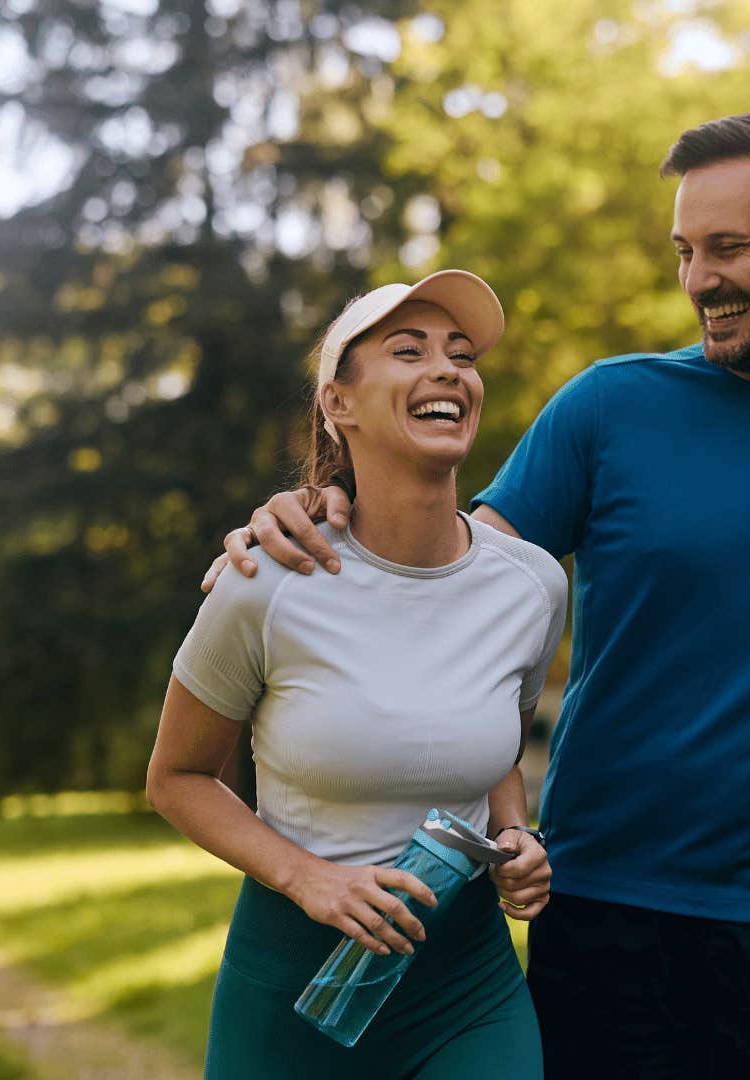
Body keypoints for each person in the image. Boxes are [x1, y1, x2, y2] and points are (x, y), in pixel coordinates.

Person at [208, 112, 750, 1078]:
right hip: (606, 920)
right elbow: (446, 570)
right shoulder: (610, 408)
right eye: (683, 251)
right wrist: (317, 506)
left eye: (729, 247)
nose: (698, 279)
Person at [150, 270, 567, 1078]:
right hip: (294, 984)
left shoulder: (533, 585)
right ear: (338, 403)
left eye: (462, 354)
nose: (448, 369)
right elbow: (177, 778)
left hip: (466, 987)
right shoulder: (266, 583)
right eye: (407, 351)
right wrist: (310, 880)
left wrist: (516, 834)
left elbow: (494, 752)